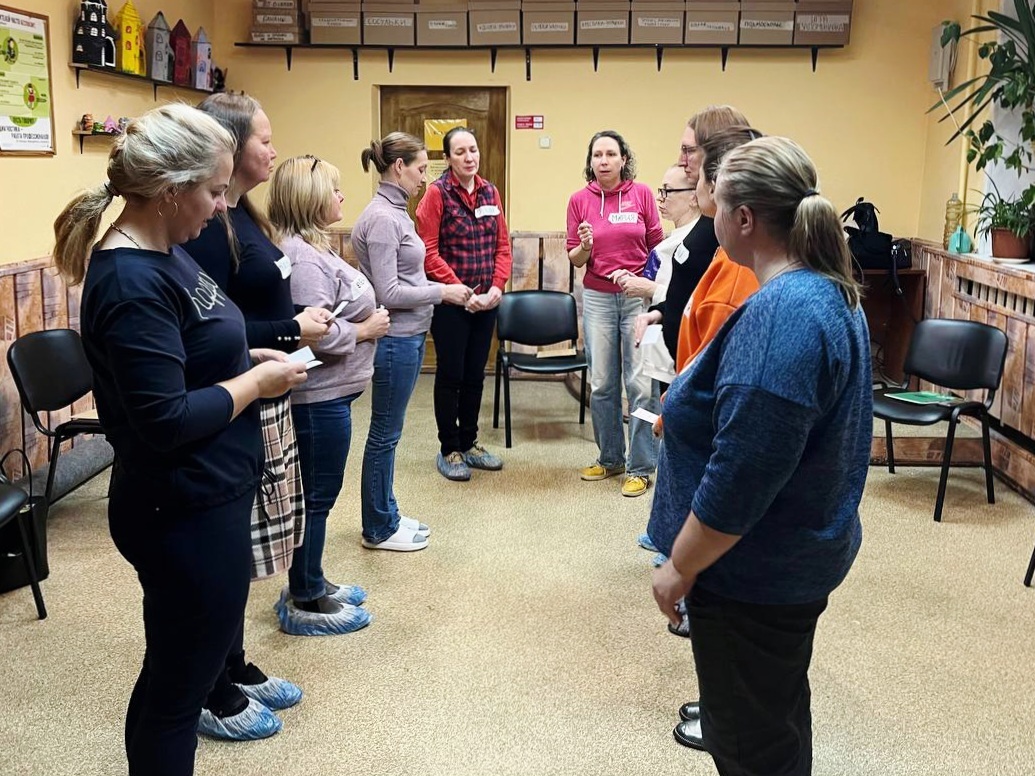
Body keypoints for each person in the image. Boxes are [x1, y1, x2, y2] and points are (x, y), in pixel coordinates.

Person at [52, 103, 307, 776]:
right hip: (180, 511)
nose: (222, 207)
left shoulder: (166, 254)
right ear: (170, 191)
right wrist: (254, 383)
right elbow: (163, 420)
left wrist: (243, 359)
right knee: (176, 692)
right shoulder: (130, 282)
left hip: (208, 499)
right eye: (215, 191)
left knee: (178, 669)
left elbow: (194, 352)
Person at [649, 136, 872, 775]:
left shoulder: (783, 316)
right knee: (774, 715)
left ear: (743, 218)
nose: (710, 215)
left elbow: (743, 475)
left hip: (753, 573)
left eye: (716, 204)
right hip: (791, 559)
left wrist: (680, 566)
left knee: (751, 746)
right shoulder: (823, 291)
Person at [182, 92, 330, 740]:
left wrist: (291, 328)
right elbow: (217, 328)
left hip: (263, 389)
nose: (274, 150)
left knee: (242, 546)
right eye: (264, 140)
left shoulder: (243, 213)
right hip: (235, 395)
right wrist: (292, 329)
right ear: (229, 146)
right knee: (223, 550)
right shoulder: (209, 227)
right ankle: (211, 684)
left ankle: (233, 663)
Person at [268, 155, 390, 635]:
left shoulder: (313, 247)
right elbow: (306, 334)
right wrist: (363, 331)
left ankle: (311, 577)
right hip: (316, 398)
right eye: (333, 189)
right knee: (317, 497)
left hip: (332, 395)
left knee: (318, 495)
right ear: (310, 198)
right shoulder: (301, 258)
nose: (341, 196)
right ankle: (306, 595)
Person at [352, 132, 472, 550]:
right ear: (399, 167)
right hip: (395, 340)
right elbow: (388, 292)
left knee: (391, 433)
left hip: (410, 335)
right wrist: (443, 292)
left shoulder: (395, 212)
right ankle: (377, 527)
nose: (425, 177)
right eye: (421, 169)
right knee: (384, 434)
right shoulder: (383, 219)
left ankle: (387, 512)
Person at [567, 130, 664, 498]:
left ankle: (641, 466)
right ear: (590, 162)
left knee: (641, 385)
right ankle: (610, 458)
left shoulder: (642, 194)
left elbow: (658, 246)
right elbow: (576, 258)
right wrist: (586, 245)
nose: (604, 161)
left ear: (624, 159)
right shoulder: (579, 200)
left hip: (637, 299)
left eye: (610, 154)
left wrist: (647, 284)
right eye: (597, 155)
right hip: (598, 299)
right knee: (603, 383)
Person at [416, 126, 512, 481]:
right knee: (451, 374)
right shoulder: (436, 194)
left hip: (486, 303)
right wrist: (460, 290)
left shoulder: (490, 191)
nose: (469, 157)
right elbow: (428, 252)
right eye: (460, 152)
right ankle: (450, 448)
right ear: (447, 158)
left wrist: (497, 287)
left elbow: (502, 247)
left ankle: (470, 443)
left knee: (475, 374)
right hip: (452, 304)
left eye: (473, 150)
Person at [634, 106, 749, 364]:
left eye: (688, 150)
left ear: (717, 153)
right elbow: (695, 288)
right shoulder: (710, 216)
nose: (681, 160)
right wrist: (663, 311)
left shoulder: (734, 229)